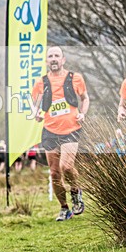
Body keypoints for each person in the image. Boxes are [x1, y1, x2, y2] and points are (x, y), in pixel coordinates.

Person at [32, 46, 90, 221]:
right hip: (50, 130)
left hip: (71, 128)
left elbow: (85, 98)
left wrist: (83, 113)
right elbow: (33, 103)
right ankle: (64, 208)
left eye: (57, 56)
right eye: (50, 56)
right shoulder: (41, 82)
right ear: (47, 61)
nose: (54, 59)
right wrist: (35, 112)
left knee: (66, 166)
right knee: (55, 173)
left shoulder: (75, 78)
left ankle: (76, 191)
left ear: (63, 59)